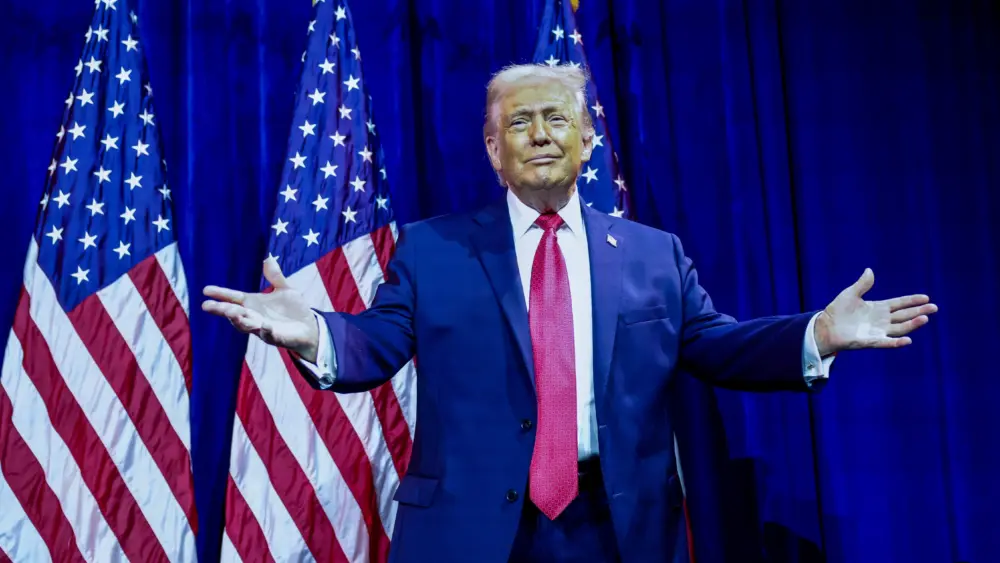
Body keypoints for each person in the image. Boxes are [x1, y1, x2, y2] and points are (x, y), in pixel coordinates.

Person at [202, 64, 937, 563]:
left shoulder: (653, 254)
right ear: (495, 150)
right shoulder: (433, 250)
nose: (543, 133)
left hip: (615, 525)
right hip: (470, 530)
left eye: (559, 119)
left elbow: (717, 347)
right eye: (521, 123)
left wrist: (818, 334)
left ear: (588, 140)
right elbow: (377, 343)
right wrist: (318, 333)